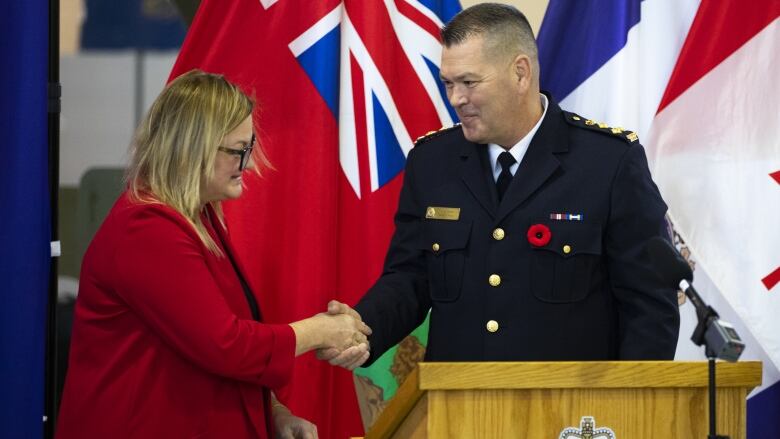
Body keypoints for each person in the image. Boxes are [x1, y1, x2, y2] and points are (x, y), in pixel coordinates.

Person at [320, 3, 679, 368]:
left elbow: (648, 303)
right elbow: (411, 277)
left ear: (520, 73)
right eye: (448, 83)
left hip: (572, 415)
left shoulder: (607, 162)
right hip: (460, 407)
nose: (456, 98)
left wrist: (630, 408)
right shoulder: (432, 162)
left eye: (469, 82)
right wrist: (362, 330)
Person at [56, 70, 370, 439]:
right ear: (194, 147)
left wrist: (275, 413)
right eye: (240, 151)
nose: (250, 165)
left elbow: (211, 345)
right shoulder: (146, 227)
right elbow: (225, 344)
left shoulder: (198, 217)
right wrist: (321, 330)